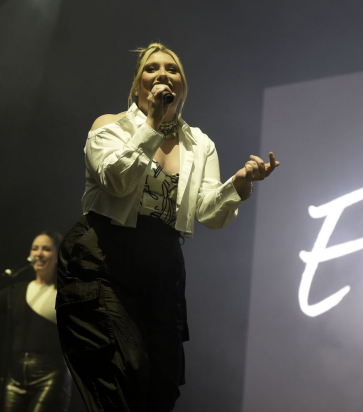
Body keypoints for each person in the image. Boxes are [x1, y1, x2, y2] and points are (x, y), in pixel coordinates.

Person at [55, 42, 279, 412]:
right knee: (122, 371)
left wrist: (239, 185)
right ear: (137, 87)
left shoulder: (200, 144)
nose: (162, 74)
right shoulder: (109, 126)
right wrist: (153, 124)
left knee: (162, 385)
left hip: (162, 264)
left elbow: (208, 212)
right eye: (151, 68)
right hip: (104, 254)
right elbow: (117, 182)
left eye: (171, 69)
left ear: (183, 87)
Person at [0, 231, 72, 412]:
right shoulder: (15, 290)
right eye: (35, 248)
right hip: (14, 376)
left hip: (51, 376)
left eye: (46, 249)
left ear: (57, 256)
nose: (38, 253)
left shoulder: (65, 294)